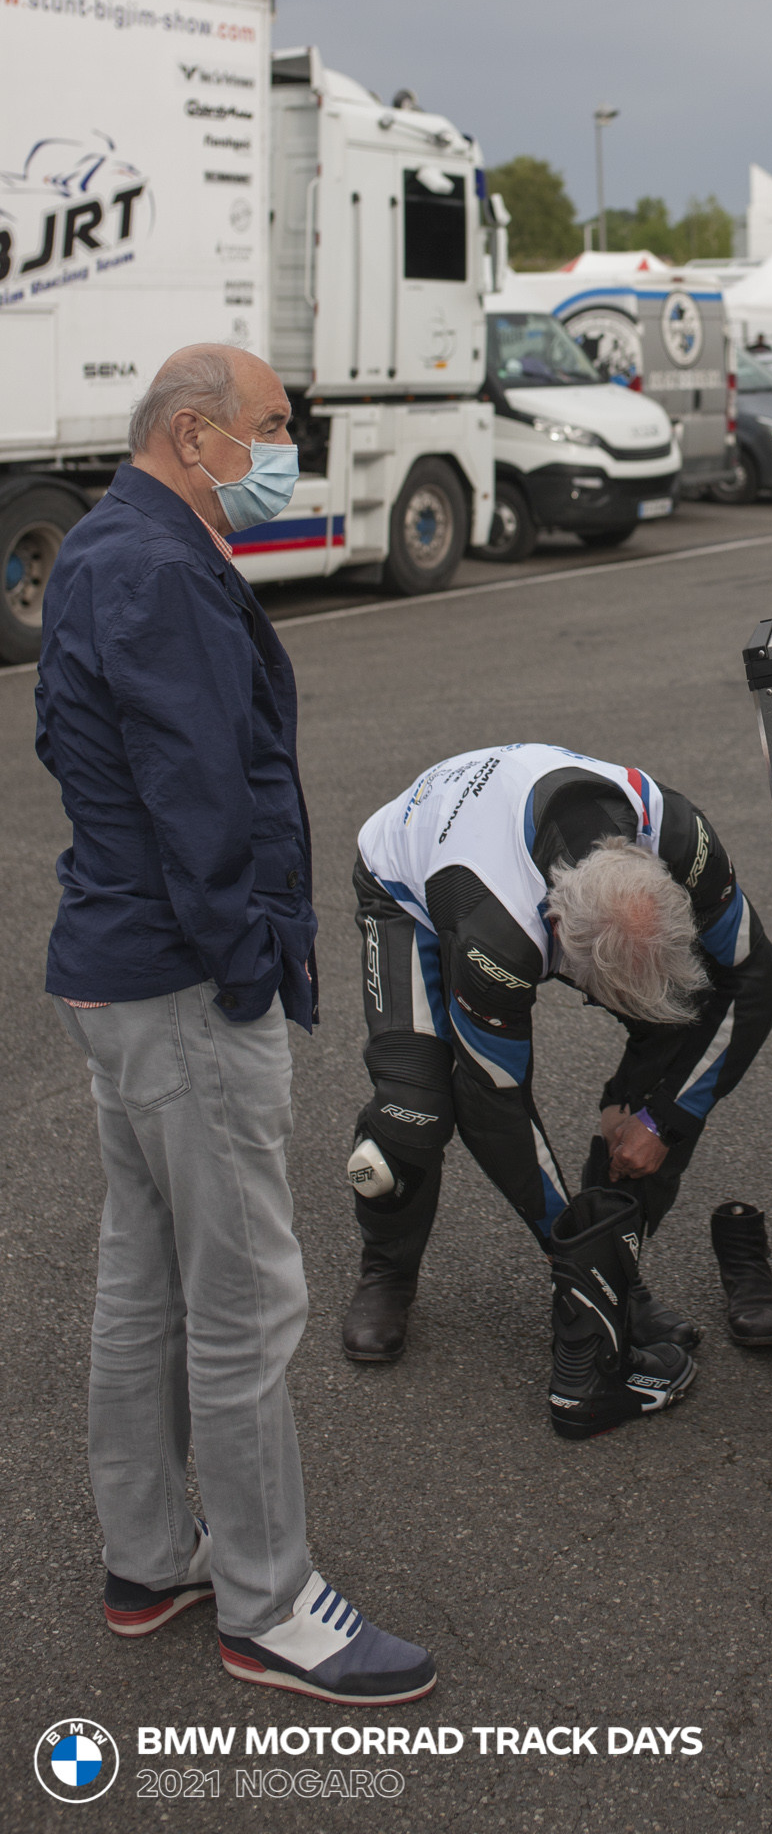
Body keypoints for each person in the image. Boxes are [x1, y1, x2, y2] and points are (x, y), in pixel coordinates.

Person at [36, 345, 435, 1707]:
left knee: (146, 1274)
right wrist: (247, 967)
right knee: (250, 1291)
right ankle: (268, 1604)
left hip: (125, 970)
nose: (289, 447)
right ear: (194, 433)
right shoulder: (154, 569)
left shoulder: (112, 548)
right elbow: (201, 797)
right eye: (273, 426)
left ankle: (150, 1556)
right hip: (179, 983)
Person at [341, 745, 772, 1439]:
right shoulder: (502, 935)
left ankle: (618, 1269)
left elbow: (755, 978)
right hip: (411, 880)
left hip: (533, 844)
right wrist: (569, 1244)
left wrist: (661, 1115)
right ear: (557, 944)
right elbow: (494, 1105)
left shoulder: (679, 839)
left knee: (682, 1037)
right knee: (416, 1112)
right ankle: (388, 1270)